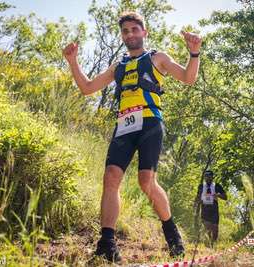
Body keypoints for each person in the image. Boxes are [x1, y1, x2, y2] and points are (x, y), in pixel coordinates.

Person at [63, 11, 202, 263]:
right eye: (125, 31)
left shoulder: (157, 57)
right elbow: (87, 88)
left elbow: (188, 78)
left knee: (146, 182)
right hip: (124, 125)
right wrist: (73, 61)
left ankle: (172, 233)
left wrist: (194, 53)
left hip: (150, 123)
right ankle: (107, 242)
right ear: (123, 36)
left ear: (144, 33)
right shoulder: (119, 66)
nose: (130, 34)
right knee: (111, 177)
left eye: (134, 30)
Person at [195, 170, 227, 245]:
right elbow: (197, 197)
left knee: (215, 228)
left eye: (209, 176)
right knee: (207, 227)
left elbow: (225, 197)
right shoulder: (201, 186)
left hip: (214, 208)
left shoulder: (217, 186)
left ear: (212, 177)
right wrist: (198, 202)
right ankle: (209, 243)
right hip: (205, 208)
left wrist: (218, 195)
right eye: (206, 176)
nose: (207, 177)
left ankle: (214, 242)